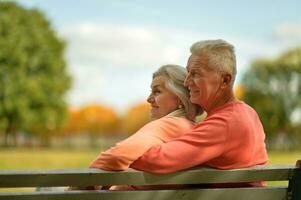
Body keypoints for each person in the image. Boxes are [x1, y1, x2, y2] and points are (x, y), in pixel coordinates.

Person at [130, 39, 268, 187]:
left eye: (195, 74)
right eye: (188, 73)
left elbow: (156, 160)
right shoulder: (247, 112)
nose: (186, 82)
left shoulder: (225, 123)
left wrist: (124, 152)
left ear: (225, 80)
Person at [67, 64, 202, 190]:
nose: (148, 99)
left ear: (179, 98)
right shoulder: (194, 129)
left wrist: (77, 187)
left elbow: (117, 156)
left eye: (157, 92)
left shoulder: (170, 125)